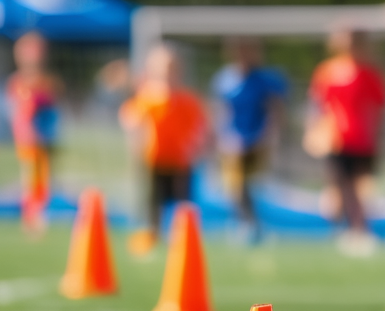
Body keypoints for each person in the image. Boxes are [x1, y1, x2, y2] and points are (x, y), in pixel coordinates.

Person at [305, 28, 385, 256]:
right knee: (341, 187)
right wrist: (313, 131)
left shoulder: (370, 72)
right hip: (336, 140)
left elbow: (380, 107)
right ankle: (351, 228)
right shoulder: (328, 71)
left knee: (360, 187)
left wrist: (376, 135)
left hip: (363, 139)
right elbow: (317, 105)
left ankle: (360, 229)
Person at [119, 44, 208, 255]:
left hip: (180, 160)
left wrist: (197, 147)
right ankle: (152, 235)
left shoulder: (186, 100)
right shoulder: (148, 96)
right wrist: (136, 138)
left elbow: (199, 125)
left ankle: (183, 239)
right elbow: (130, 117)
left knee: (183, 204)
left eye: (171, 69)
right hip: (153, 159)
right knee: (153, 202)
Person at [211, 38, 287, 241]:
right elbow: (222, 111)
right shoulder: (225, 78)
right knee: (234, 184)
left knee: (252, 184)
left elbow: (274, 110)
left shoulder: (266, 80)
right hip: (232, 141)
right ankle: (245, 223)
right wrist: (222, 136)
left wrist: (269, 136)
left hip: (257, 140)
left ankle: (252, 223)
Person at [6, 31, 61, 233]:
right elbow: (20, 112)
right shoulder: (19, 82)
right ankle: (31, 214)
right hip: (28, 139)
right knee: (30, 177)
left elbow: (53, 110)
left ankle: (41, 211)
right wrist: (27, 132)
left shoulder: (47, 82)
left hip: (46, 137)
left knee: (45, 177)